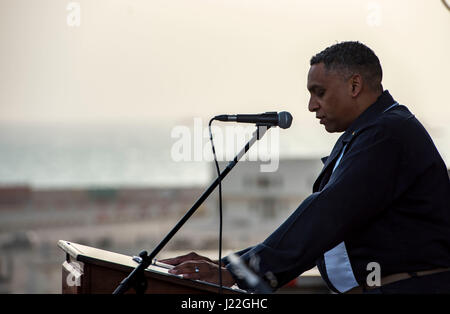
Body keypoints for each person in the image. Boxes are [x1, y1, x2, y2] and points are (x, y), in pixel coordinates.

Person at [161, 41, 450, 294]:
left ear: (354, 85)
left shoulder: (386, 133)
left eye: (319, 92)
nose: (311, 105)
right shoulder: (370, 131)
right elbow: (321, 228)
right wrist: (226, 265)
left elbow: (327, 214)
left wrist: (239, 272)